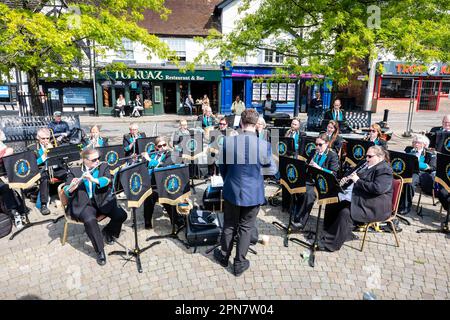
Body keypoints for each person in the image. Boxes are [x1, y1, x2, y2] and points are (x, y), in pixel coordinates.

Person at [214, 109, 277, 276]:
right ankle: (239, 263)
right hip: (253, 192)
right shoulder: (264, 145)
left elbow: (222, 167)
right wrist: (256, 175)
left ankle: (223, 256)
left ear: (241, 123)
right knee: (246, 228)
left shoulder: (228, 142)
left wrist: (229, 180)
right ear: (256, 125)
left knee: (229, 224)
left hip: (232, 190)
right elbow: (272, 170)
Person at [320, 145, 393, 252]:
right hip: (359, 196)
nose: (366, 158)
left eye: (369, 156)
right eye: (366, 155)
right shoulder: (365, 163)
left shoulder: (385, 170)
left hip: (373, 204)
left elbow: (378, 189)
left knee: (346, 213)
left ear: (380, 157)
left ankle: (330, 244)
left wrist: (357, 181)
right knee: (333, 200)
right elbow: (350, 173)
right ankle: (331, 230)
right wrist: (346, 179)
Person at [63, 148, 127, 266]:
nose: (97, 161)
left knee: (122, 215)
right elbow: (66, 190)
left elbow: (107, 180)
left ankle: (108, 231)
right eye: (94, 160)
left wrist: (94, 180)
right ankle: (100, 250)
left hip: (102, 200)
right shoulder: (74, 171)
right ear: (85, 160)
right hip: (84, 204)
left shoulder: (103, 167)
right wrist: (71, 188)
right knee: (90, 220)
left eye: (98, 158)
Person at [291, 133, 340, 230]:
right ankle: (295, 212)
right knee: (297, 186)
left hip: (322, 183)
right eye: (316, 144)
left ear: (327, 143)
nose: (317, 147)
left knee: (309, 194)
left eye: (320, 145)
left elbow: (334, 173)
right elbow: (307, 166)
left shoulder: (332, 155)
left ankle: (300, 222)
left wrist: (319, 168)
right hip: (311, 179)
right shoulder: (314, 151)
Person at [142, 136, 184, 230]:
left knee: (166, 200)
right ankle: (147, 222)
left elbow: (164, 165)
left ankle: (178, 221)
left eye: (164, 145)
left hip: (165, 183)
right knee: (148, 198)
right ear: (156, 147)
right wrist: (140, 159)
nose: (163, 147)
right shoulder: (153, 154)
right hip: (152, 183)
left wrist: (149, 159)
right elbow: (144, 165)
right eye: (160, 146)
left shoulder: (171, 154)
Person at [29, 128, 67, 215]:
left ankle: (69, 197)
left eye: (47, 138)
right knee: (44, 178)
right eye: (43, 138)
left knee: (68, 173)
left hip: (54, 169)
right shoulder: (33, 148)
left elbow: (60, 159)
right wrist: (45, 155)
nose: (46, 140)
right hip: (42, 170)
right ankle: (43, 204)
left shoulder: (54, 145)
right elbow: (32, 164)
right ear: (38, 138)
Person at [398, 135, 436, 215]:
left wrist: (419, 164)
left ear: (424, 144)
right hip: (407, 171)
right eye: (414, 142)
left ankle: (406, 206)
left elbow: (432, 167)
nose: (415, 144)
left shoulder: (429, 153)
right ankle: (395, 202)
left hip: (421, 173)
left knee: (409, 183)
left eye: (418, 143)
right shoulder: (409, 149)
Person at [0, 130, 27, 229]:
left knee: (6, 187)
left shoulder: (4, 147)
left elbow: (9, 151)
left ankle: (15, 213)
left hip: (3, 176)